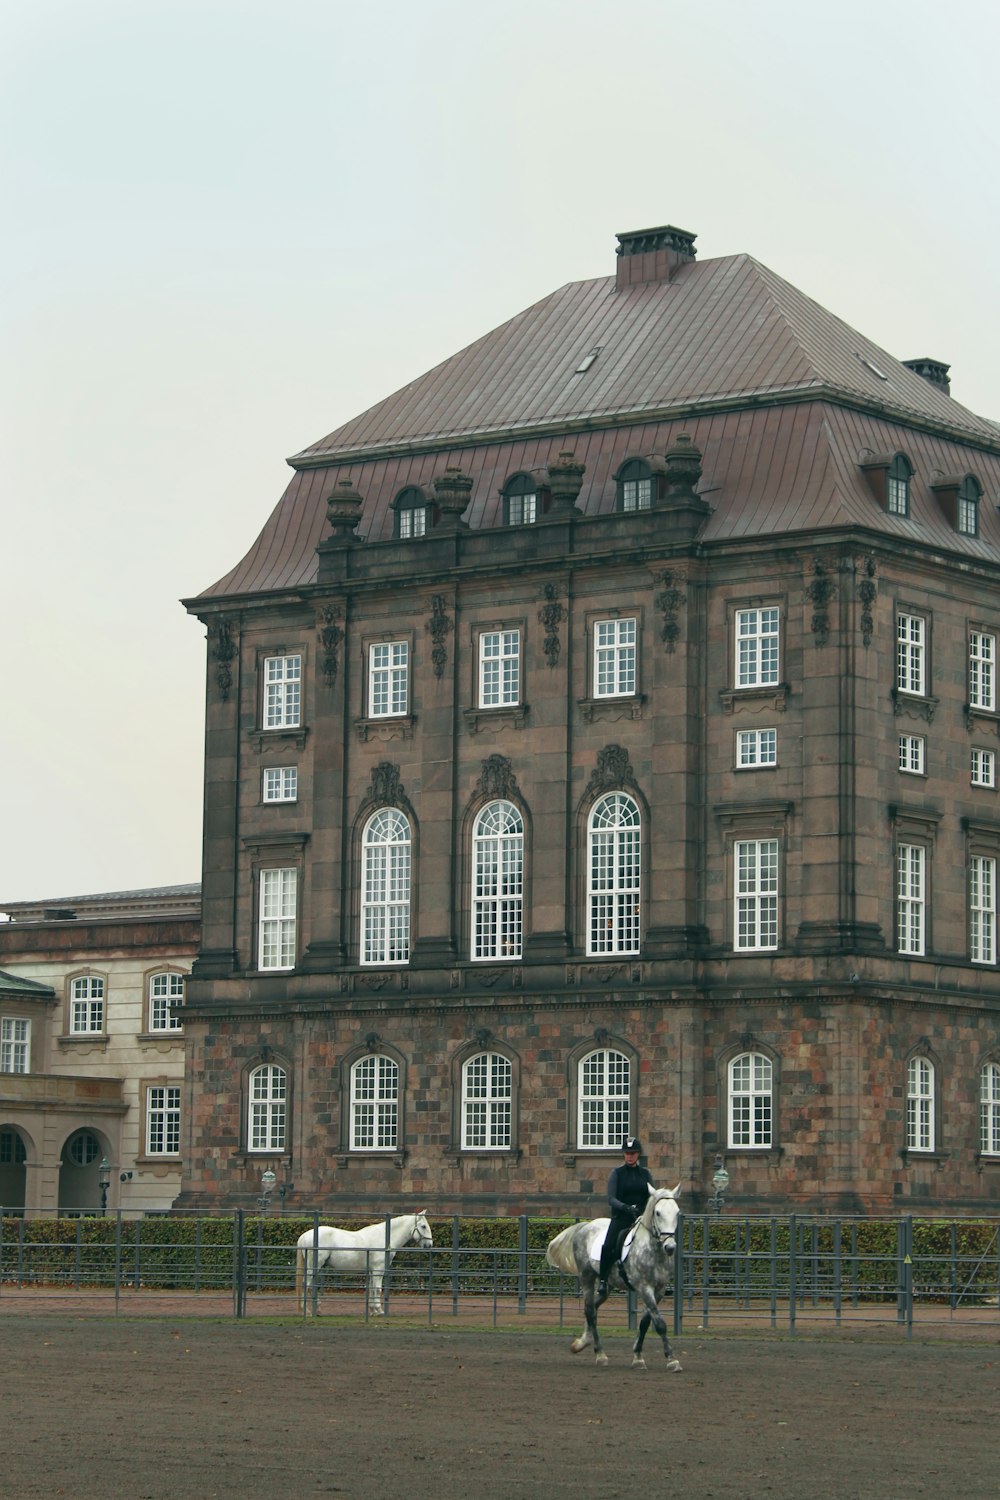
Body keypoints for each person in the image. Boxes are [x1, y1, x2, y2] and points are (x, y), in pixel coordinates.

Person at [596, 1136, 655, 1296]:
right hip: (622, 1217)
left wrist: (642, 1209)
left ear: (638, 1154)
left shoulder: (645, 1174)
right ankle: (603, 1280)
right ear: (624, 1154)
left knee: (659, 1240)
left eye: (633, 1153)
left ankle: (659, 1277)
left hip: (641, 1218)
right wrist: (626, 1208)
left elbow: (652, 1196)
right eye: (627, 1153)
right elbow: (611, 1198)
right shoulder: (617, 1173)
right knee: (609, 1245)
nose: (630, 1156)